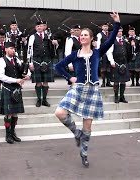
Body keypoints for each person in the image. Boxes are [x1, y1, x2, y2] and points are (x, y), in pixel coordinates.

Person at [54, 11, 121, 167]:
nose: (82, 37)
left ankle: (84, 154)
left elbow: (111, 40)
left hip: (92, 91)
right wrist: (69, 77)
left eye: (85, 35)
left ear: (91, 38)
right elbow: (58, 66)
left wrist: (117, 23)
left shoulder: (97, 52)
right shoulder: (74, 54)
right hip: (77, 89)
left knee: (88, 126)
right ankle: (77, 134)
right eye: (81, 35)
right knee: (59, 112)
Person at [0, 42, 31, 144]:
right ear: (6, 49)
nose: (13, 50)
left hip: (17, 89)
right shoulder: (1, 61)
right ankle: (8, 135)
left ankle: (13, 133)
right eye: (11, 48)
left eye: (14, 48)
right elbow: (1, 76)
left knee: (15, 113)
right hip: (8, 88)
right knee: (8, 114)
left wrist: (27, 75)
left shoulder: (17, 60)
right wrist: (16, 80)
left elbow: (25, 70)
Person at [27, 20, 58, 107]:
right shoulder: (32, 37)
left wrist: (55, 44)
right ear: (35, 28)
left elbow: (54, 47)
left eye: (41, 26)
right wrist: (30, 63)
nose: (39, 27)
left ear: (44, 27)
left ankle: (44, 99)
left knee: (46, 82)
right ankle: (39, 99)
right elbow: (30, 50)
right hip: (37, 60)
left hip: (47, 60)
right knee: (38, 82)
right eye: (38, 26)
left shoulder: (48, 36)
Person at [106, 26, 131, 103]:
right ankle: (116, 97)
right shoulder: (112, 41)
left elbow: (128, 52)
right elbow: (109, 52)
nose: (120, 33)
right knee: (116, 81)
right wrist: (111, 61)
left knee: (123, 81)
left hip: (124, 63)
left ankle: (122, 97)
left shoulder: (124, 41)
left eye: (121, 31)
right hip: (116, 63)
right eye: (118, 31)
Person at [96, 22, 113, 87]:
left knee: (109, 68)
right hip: (103, 53)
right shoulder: (99, 34)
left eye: (106, 26)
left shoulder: (110, 34)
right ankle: (103, 82)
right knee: (103, 68)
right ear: (102, 27)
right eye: (104, 26)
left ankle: (108, 82)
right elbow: (98, 44)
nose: (105, 27)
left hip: (110, 52)